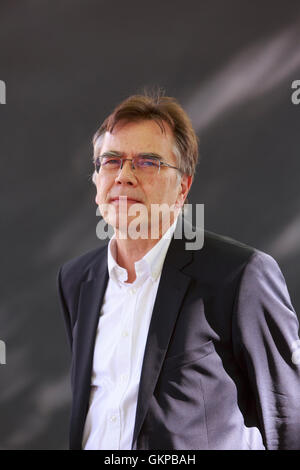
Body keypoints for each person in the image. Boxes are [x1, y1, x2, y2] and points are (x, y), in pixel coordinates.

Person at [57, 91, 300, 450]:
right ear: (96, 179)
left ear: (182, 188)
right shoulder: (77, 280)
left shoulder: (240, 276)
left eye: (147, 162)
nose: (124, 175)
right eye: (110, 161)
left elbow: (288, 419)